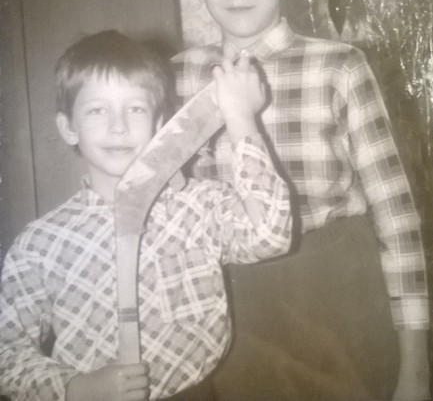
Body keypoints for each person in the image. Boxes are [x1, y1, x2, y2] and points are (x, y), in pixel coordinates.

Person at [172, 0, 431, 401]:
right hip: (225, 310)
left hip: (334, 297)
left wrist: (416, 368)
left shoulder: (339, 66)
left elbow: (396, 218)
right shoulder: (177, 78)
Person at [0, 31, 292, 401]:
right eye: (97, 110)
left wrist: (240, 119)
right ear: (68, 128)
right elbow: (6, 353)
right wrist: (75, 387)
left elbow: (271, 236)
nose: (118, 126)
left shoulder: (198, 206)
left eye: (135, 109)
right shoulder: (40, 244)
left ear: (158, 125)